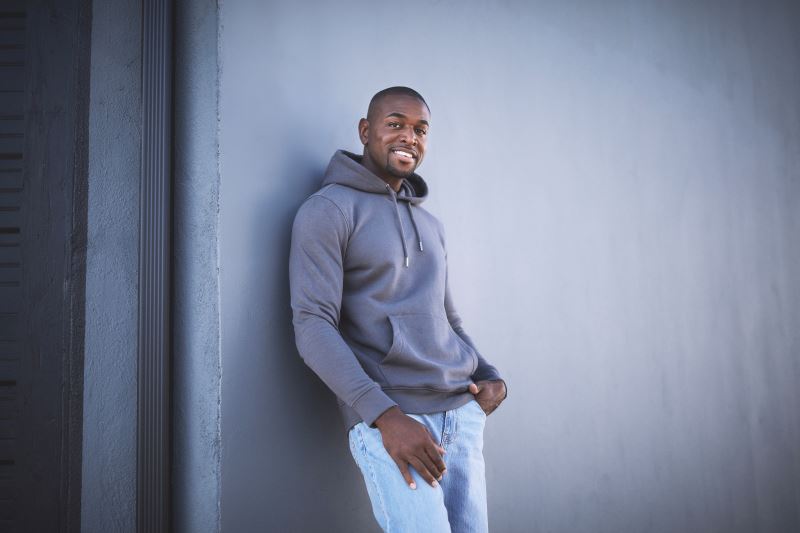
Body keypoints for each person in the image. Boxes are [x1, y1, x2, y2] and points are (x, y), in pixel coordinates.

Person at [289, 86, 507, 532]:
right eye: (395, 125)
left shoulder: (430, 224)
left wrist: (489, 376)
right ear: (365, 131)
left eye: (420, 130)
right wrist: (385, 416)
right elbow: (313, 325)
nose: (409, 137)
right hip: (394, 418)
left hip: (460, 417)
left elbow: (447, 319)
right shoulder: (328, 210)